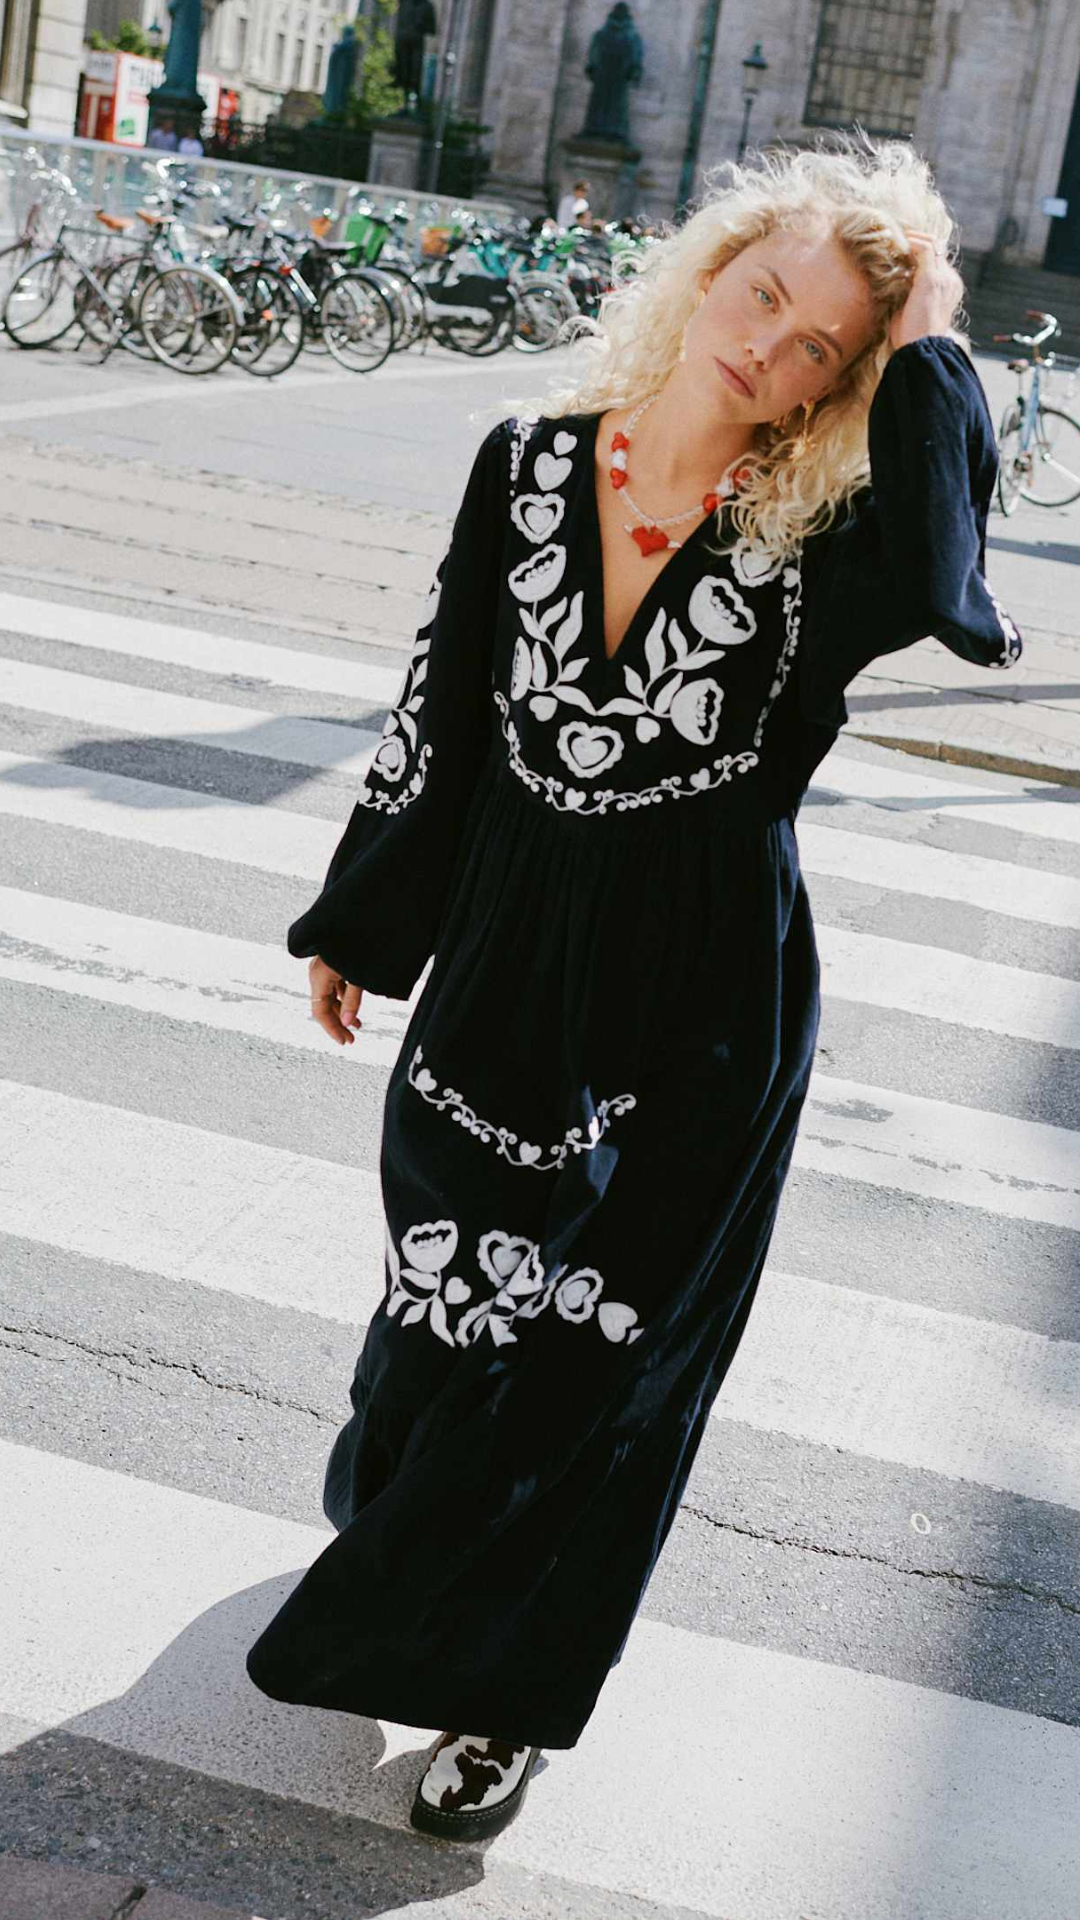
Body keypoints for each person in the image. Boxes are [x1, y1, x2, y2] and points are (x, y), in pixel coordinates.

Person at [245, 135, 1022, 1843]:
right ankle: (404, 1531)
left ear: (845, 382)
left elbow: (949, 551)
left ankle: (506, 1704)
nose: (769, 345)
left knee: (600, 1363)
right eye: (764, 294)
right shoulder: (526, 464)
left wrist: (924, 337)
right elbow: (440, 712)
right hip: (504, 972)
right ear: (705, 269)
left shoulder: (825, 546)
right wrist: (362, 922)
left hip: (701, 1010)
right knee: (448, 1303)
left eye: (821, 345)